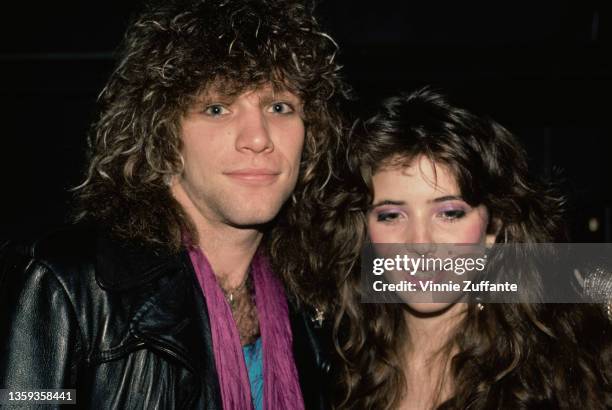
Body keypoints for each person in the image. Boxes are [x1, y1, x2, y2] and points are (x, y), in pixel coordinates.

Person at [0, 0, 349, 408]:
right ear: (163, 136)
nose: (258, 138)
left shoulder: (313, 298)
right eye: (217, 108)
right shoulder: (66, 285)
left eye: (279, 107)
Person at [333, 89, 612, 409]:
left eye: (449, 213)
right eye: (391, 215)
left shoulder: (550, 375)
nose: (420, 243)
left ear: (492, 228)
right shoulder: (336, 366)